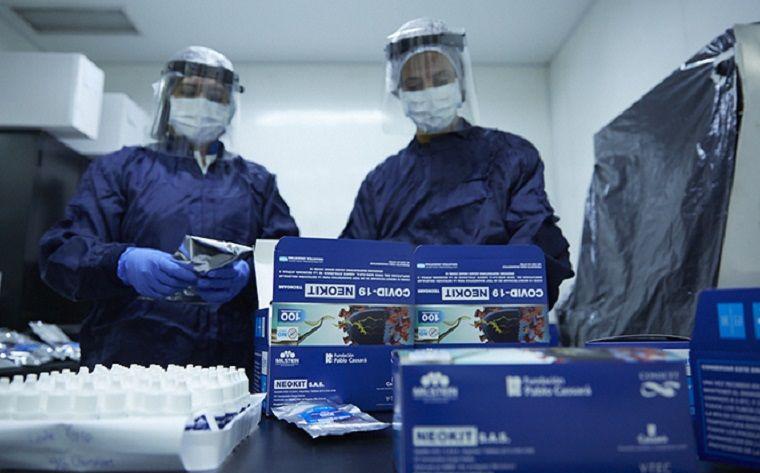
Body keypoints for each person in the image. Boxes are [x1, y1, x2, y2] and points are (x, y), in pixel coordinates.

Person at [40, 46, 299, 370]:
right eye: (189, 91)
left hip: (231, 373)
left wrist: (248, 277)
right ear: (167, 98)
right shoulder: (119, 170)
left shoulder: (257, 183)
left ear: (231, 106)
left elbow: (292, 264)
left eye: (216, 96)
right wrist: (122, 262)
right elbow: (62, 254)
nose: (202, 103)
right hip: (128, 370)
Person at [341, 18, 573, 307]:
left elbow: (533, 245)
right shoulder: (380, 183)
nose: (428, 92)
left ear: (460, 83)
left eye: (440, 80)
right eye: (414, 84)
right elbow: (350, 266)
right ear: (399, 94)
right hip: (399, 328)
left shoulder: (511, 156)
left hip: (490, 322)